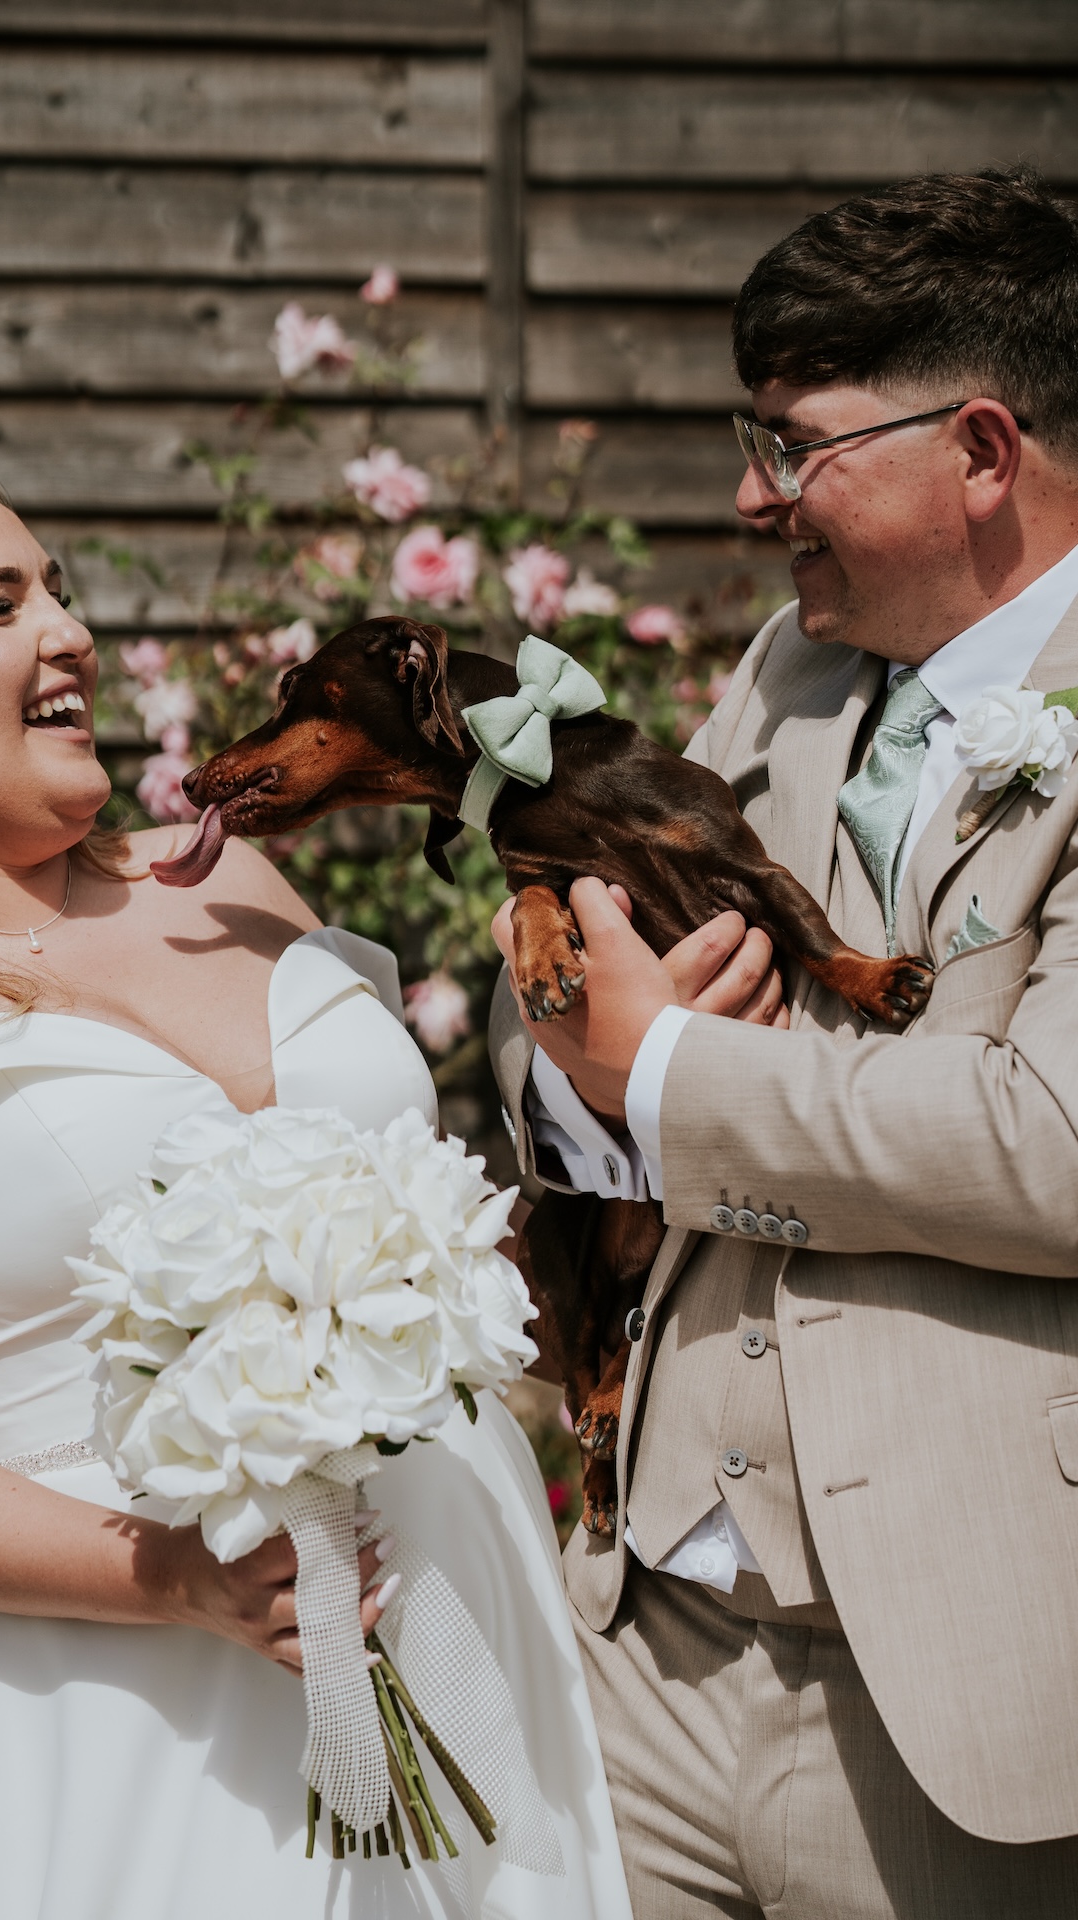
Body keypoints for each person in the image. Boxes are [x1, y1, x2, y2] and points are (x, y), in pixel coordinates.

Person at [0, 436, 636, 1920]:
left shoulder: (230, 876)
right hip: (112, 1685)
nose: (71, 632)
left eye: (58, 590)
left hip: (448, 1579)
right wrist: (169, 1576)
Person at [491, 167, 1078, 1917]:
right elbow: (579, 1033)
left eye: (794, 444)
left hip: (950, 1683)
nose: (754, 500)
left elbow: (1051, 1139)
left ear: (982, 448)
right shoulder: (782, 671)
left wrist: (663, 1079)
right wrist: (592, 1082)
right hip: (649, 1642)